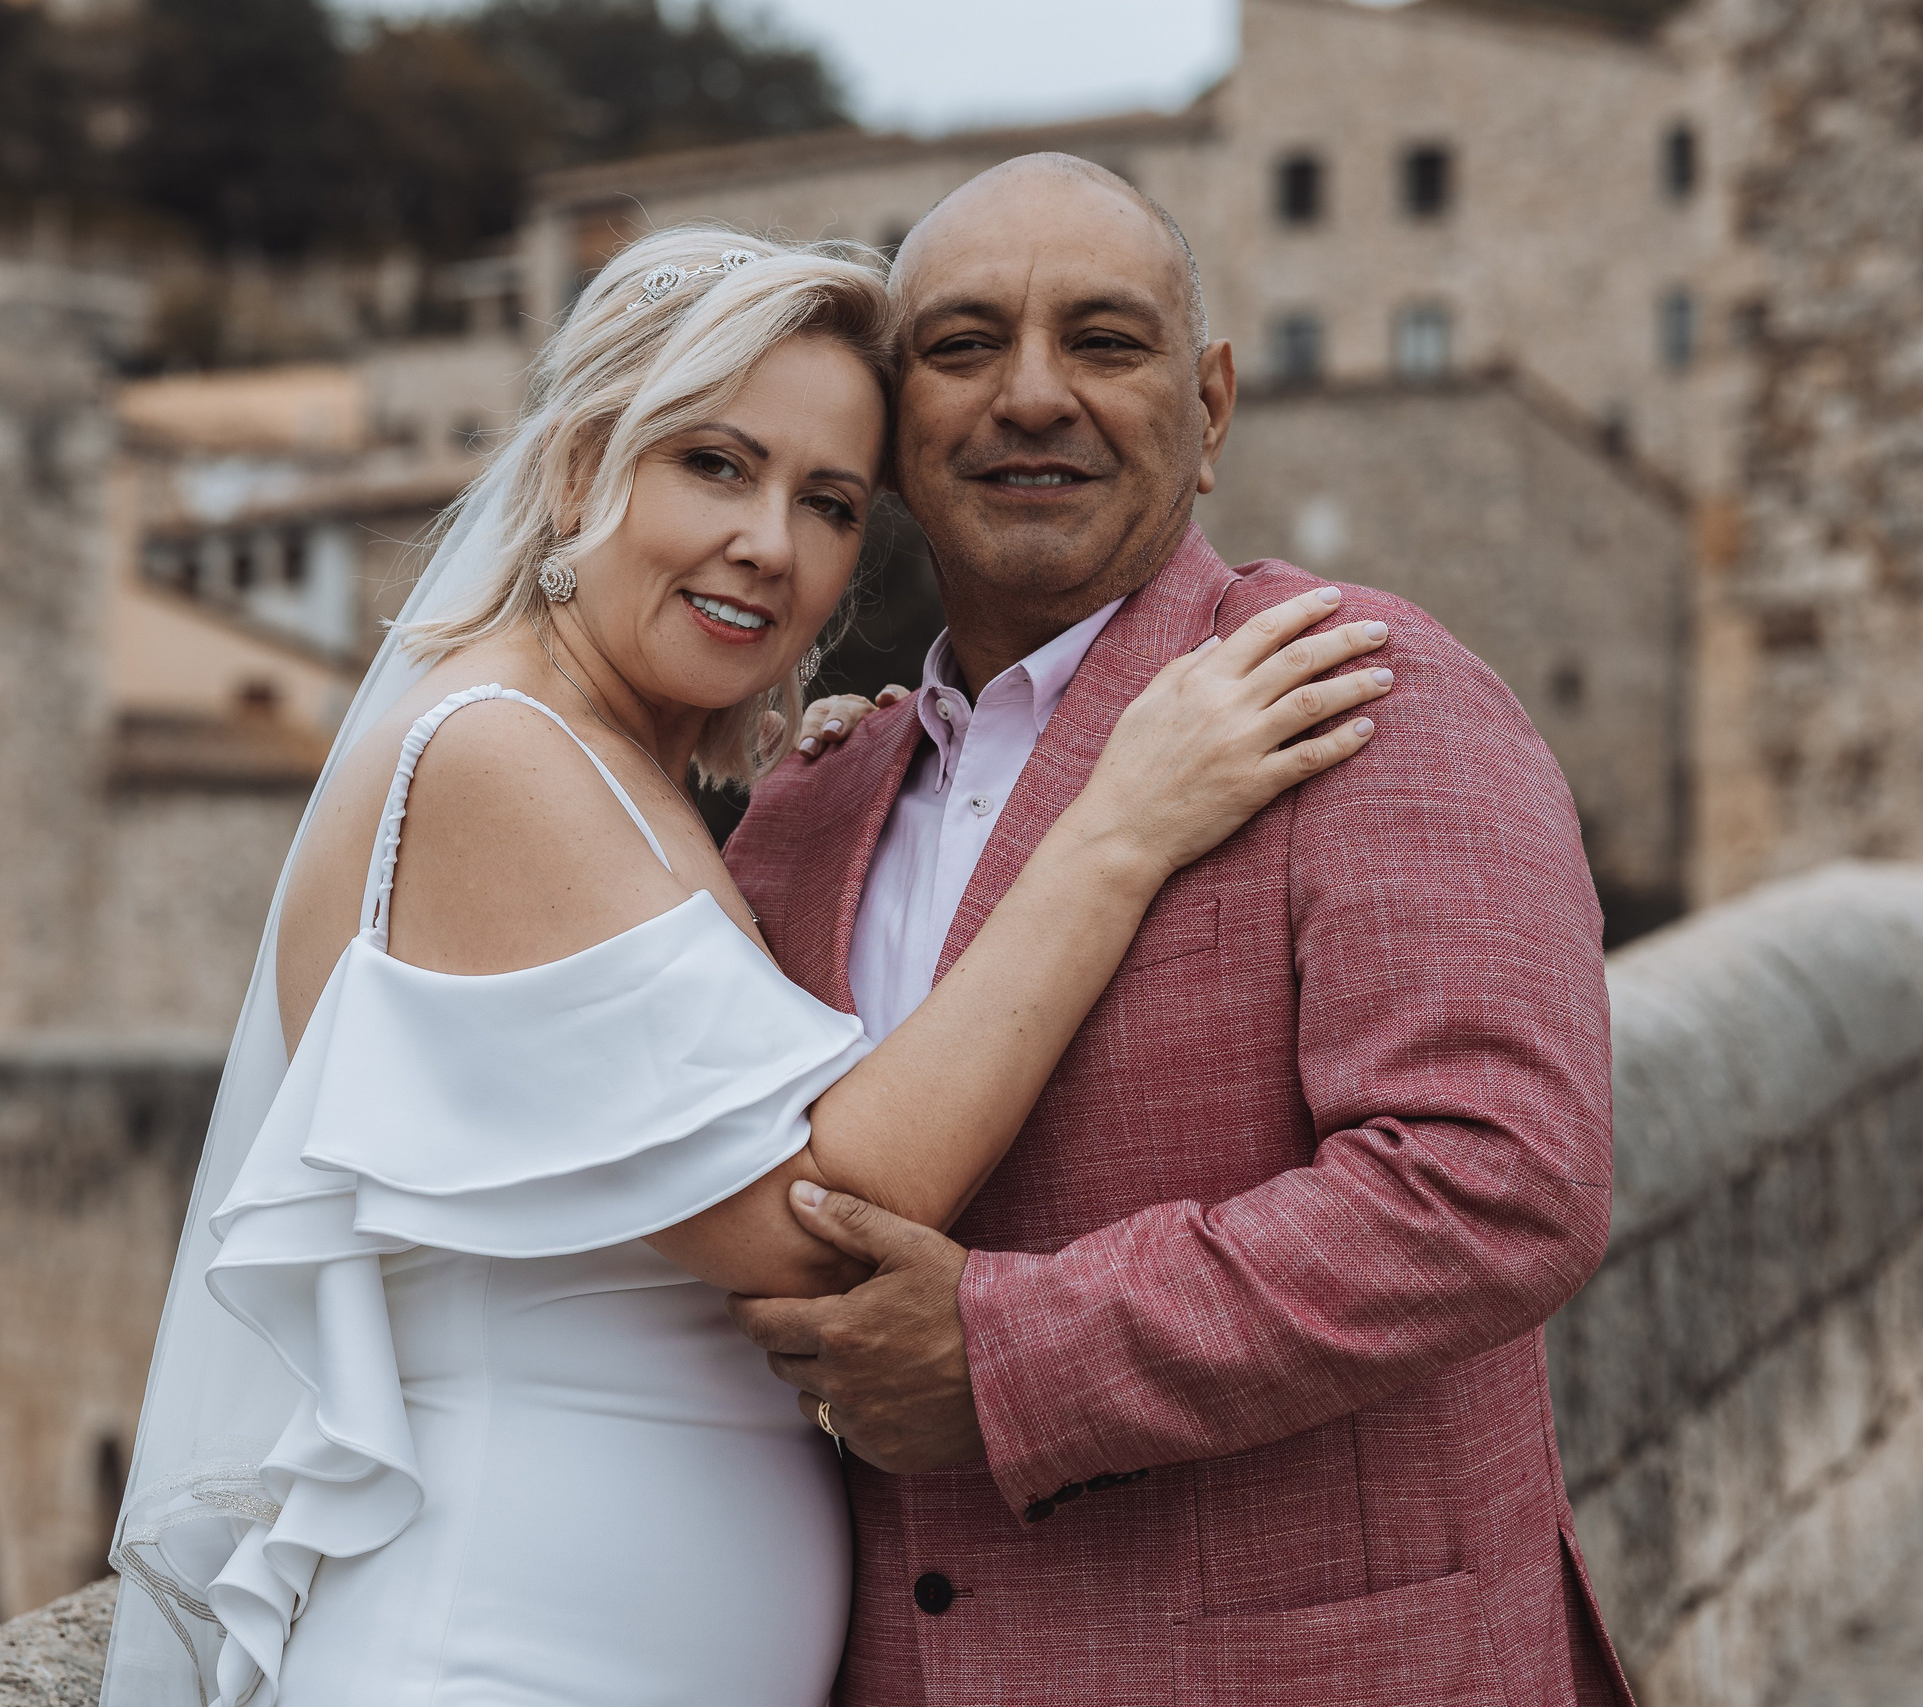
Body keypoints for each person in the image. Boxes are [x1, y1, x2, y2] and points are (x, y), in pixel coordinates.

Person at [97, 226, 1393, 1707]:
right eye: (714, 465)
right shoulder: (494, 758)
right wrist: (1120, 828)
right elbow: (808, 1226)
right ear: (585, 466)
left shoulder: (616, 774)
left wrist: (822, 810)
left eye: (828, 501)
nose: (771, 545)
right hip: (491, 1654)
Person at [724, 154, 1634, 1705]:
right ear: (890, 431)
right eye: (960, 346)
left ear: (1210, 409)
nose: (1030, 396)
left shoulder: (1367, 695)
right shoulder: (811, 807)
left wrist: (1011, 1358)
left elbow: (1501, 1180)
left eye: (1104, 340)